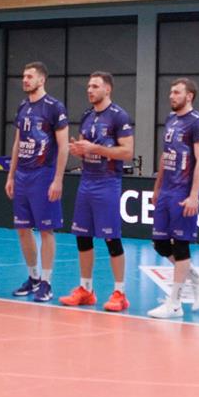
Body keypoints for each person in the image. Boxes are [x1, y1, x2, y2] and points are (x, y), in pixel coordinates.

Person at [60, 72, 134, 312]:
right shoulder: (87, 116)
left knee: (112, 238)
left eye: (95, 86)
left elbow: (127, 152)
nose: (89, 90)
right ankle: (86, 289)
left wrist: (94, 148)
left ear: (107, 89)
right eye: (89, 86)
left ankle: (120, 293)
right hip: (87, 181)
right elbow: (85, 147)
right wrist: (78, 150)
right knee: (82, 237)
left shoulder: (119, 116)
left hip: (107, 182)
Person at [148, 78, 199, 320]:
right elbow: (165, 155)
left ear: (189, 96)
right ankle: (198, 279)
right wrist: (157, 187)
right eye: (171, 92)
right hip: (166, 189)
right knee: (160, 244)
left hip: (183, 192)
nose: (171, 96)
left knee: (181, 244)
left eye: (176, 92)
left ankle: (175, 303)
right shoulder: (171, 119)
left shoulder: (198, 123)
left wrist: (194, 195)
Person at [5, 61, 69, 303]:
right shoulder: (22, 106)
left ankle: (46, 282)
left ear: (41, 80)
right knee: (22, 229)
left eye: (30, 76)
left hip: (43, 175)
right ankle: (33, 277)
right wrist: (11, 175)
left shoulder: (54, 107)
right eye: (24, 76)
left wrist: (58, 179)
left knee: (45, 229)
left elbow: (63, 146)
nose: (25, 80)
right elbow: (17, 143)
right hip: (22, 175)